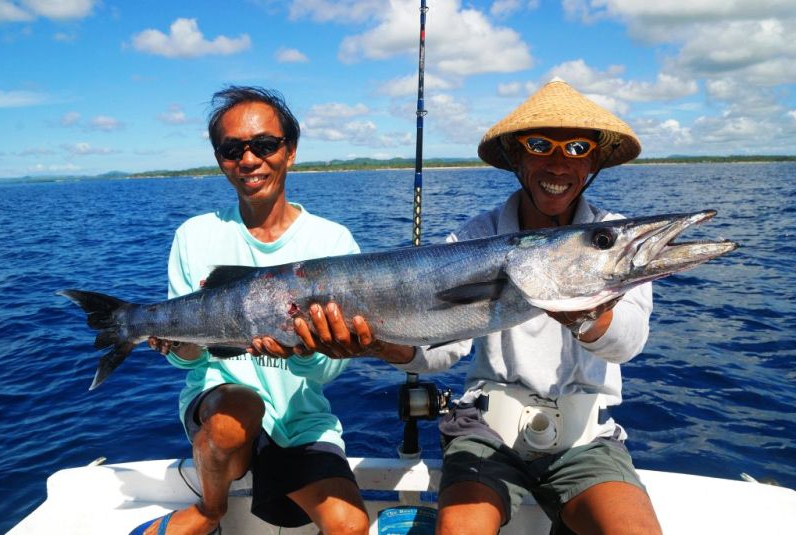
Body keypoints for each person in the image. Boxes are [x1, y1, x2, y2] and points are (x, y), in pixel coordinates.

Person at [257, 78, 663, 535]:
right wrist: (379, 347)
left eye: (576, 148)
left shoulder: (611, 241)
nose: (558, 162)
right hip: (486, 429)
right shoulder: (474, 238)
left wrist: (585, 312)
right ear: (517, 157)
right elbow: (444, 350)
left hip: (585, 438)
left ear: (592, 162)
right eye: (540, 144)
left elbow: (627, 341)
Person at [135, 86, 369, 535]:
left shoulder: (334, 242)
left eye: (264, 145)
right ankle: (211, 509)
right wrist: (178, 347)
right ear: (219, 158)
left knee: (351, 526)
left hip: (299, 416)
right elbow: (191, 358)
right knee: (236, 413)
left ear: (290, 151)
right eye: (232, 149)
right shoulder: (194, 235)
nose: (249, 160)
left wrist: (302, 354)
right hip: (221, 406)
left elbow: (327, 372)